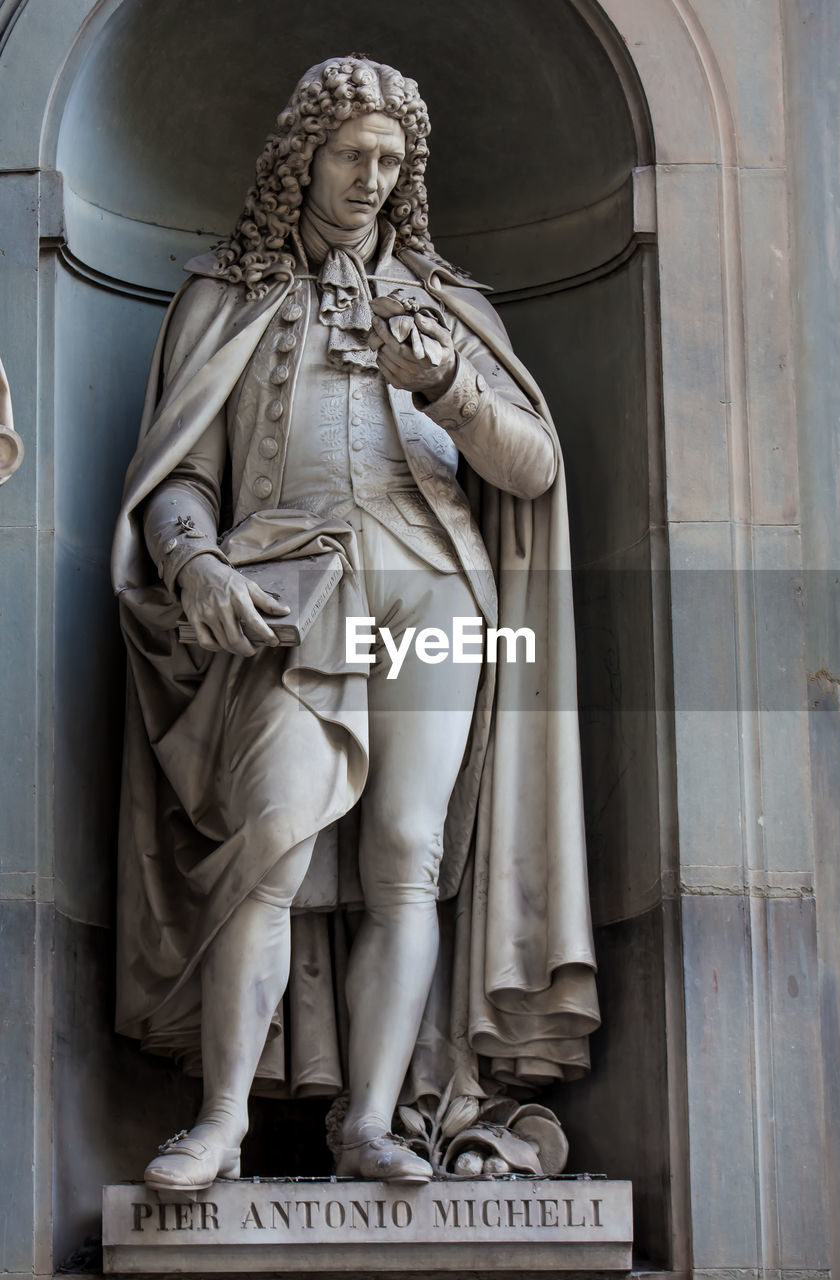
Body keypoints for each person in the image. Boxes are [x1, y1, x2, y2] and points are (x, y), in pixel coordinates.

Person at [111, 54, 599, 1193]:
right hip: (293, 592)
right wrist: (192, 564)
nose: (372, 178)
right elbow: (181, 475)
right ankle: (221, 1120)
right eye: (352, 155)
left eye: (391, 161)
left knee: (405, 860)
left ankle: (370, 1121)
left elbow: (530, 469)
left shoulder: (450, 305)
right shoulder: (227, 298)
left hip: (436, 588)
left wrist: (443, 388)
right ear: (303, 158)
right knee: (272, 841)